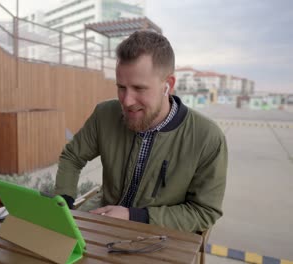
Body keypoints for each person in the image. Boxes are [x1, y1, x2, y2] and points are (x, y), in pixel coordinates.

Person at [54, 30, 227, 233]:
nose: (126, 101)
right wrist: (64, 202)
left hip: (159, 237)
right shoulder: (104, 114)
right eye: (121, 87)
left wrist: (134, 216)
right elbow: (72, 156)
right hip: (103, 221)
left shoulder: (208, 138)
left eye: (139, 88)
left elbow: (204, 212)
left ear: (167, 85)